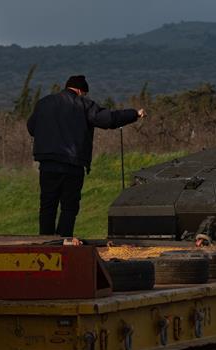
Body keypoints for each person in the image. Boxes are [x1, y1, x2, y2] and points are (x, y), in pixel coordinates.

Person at [27, 75, 145, 237]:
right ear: (80, 91)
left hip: (48, 164)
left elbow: (31, 128)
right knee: (69, 207)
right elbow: (108, 119)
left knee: (47, 206)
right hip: (73, 165)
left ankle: (46, 242)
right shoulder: (83, 104)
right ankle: (64, 240)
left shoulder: (44, 103)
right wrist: (134, 114)